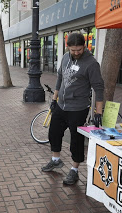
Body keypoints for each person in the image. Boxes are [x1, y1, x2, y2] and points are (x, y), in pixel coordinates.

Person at [41, 32, 104, 185]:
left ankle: (74, 170)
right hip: (61, 105)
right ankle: (56, 160)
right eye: (73, 50)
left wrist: (98, 112)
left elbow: (99, 88)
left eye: (79, 50)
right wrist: (54, 99)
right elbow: (60, 79)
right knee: (54, 132)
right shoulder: (65, 58)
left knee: (76, 140)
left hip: (78, 108)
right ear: (68, 47)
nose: (76, 53)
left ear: (85, 46)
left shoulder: (91, 63)